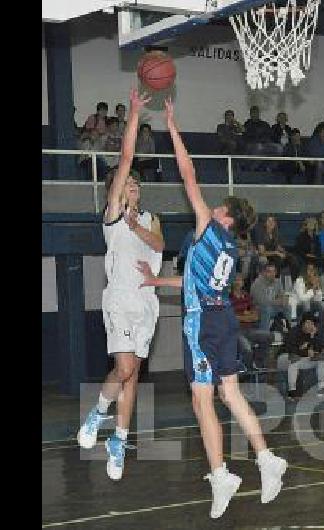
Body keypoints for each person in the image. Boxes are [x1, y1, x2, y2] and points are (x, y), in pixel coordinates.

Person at [137, 97, 286, 519]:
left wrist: (172, 128)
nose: (214, 204)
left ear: (226, 216)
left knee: (203, 400)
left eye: (221, 205)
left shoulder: (208, 225)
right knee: (230, 394)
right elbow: (192, 282)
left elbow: (188, 174)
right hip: (220, 316)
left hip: (202, 322)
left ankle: (221, 474)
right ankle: (266, 458)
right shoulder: (230, 249)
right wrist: (157, 281)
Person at [77, 88, 164, 482]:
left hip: (148, 304)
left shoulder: (149, 220)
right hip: (119, 300)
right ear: (118, 188)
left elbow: (161, 245)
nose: (135, 188)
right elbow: (126, 157)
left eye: (137, 186)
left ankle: (118, 439)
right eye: (129, 184)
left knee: (132, 374)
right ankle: (97, 414)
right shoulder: (112, 216)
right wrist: (133, 113)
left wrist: (138, 227)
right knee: (125, 367)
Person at [280, 312, 324, 399]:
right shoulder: (294, 331)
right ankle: (292, 390)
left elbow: (320, 349)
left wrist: (313, 336)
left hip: (303, 360)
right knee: (294, 360)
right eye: (308, 323)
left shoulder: (313, 333)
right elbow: (290, 350)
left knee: (322, 360)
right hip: (285, 358)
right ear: (303, 323)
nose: (310, 325)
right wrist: (306, 353)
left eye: (312, 323)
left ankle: (321, 388)